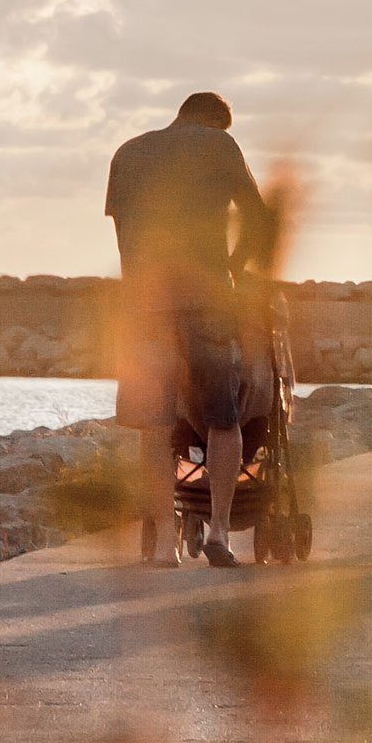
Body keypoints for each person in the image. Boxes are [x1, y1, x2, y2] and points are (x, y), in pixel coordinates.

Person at [105, 91, 275, 568]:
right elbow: (258, 219)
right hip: (207, 300)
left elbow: (124, 239)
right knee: (223, 416)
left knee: (155, 425)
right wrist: (233, 270)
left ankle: (164, 545)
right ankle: (219, 531)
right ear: (217, 122)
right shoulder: (220, 145)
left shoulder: (128, 152)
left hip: (144, 306)